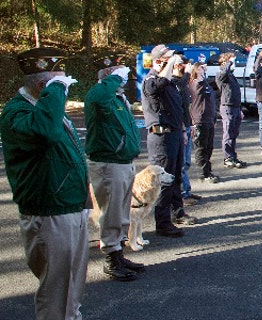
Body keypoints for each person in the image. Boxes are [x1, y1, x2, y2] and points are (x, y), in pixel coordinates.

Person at [0, 47, 90, 319]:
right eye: (58, 85)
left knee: (72, 287)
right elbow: (47, 134)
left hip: (69, 207)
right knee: (56, 293)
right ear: (42, 85)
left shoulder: (43, 107)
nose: (63, 92)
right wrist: (53, 92)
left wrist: (84, 201)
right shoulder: (16, 113)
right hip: (49, 213)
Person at [84, 53, 145, 281]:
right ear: (109, 74)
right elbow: (98, 99)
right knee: (110, 213)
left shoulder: (118, 98)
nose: (124, 76)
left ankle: (119, 253)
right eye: (119, 71)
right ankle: (111, 258)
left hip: (123, 162)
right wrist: (111, 80)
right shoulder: (99, 94)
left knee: (120, 212)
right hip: (109, 163)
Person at [142, 44, 196, 238]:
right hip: (160, 138)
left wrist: (182, 129)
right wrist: (167, 66)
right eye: (168, 60)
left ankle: (177, 212)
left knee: (175, 177)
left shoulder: (169, 82)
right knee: (164, 180)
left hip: (173, 134)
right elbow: (157, 85)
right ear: (158, 62)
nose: (174, 64)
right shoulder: (151, 81)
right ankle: (163, 223)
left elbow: (177, 107)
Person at [172, 55, 200, 206]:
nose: (187, 67)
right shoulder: (174, 82)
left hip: (187, 125)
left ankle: (187, 190)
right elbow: (178, 90)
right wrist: (188, 74)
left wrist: (192, 124)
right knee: (181, 163)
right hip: (180, 127)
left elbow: (187, 106)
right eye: (184, 65)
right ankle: (183, 193)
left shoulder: (184, 83)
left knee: (187, 161)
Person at [188, 62, 220, 183]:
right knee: (201, 147)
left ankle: (208, 171)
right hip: (199, 120)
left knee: (209, 147)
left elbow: (211, 102)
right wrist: (199, 75)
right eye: (201, 68)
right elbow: (197, 90)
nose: (203, 69)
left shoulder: (205, 84)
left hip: (209, 119)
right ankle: (204, 173)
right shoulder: (194, 83)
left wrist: (214, 118)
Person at [216, 52, 247, 168]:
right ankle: (227, 157)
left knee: (233, 133)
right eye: (232, 62)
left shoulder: (231, 75)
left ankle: (233, 156)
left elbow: (236, 94)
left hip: (235, 107)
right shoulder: (221, 74)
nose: (234, 64)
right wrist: (228, 63)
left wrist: (240, 109)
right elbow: (222, 74)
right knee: (228, 134)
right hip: (227, 107)